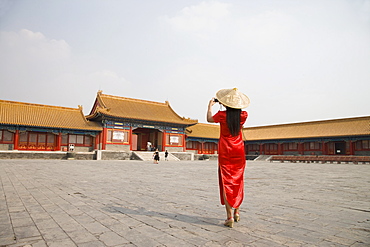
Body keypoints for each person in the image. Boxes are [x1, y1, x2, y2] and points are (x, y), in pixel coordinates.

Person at [207, 88, 250, 228]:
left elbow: (208, 118)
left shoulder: (221, 115)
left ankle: (229, 216)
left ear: (225, 104)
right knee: (238, 181)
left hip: (225, 150)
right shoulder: (243, 115)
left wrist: (210, 106)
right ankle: (237, 212)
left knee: (227, 182)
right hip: (239, 150)